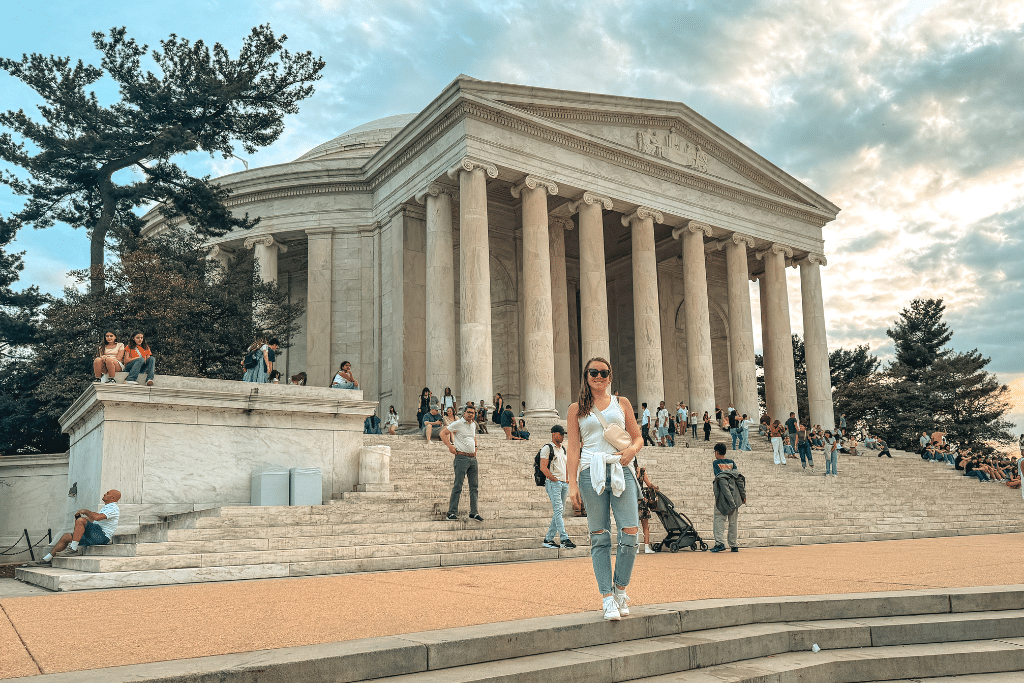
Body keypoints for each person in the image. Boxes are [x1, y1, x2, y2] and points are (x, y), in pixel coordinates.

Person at [567, 357, 643, 621]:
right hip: (591, 472)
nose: (598, 376)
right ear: (586, 376)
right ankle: (607, 598)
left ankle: (620, 589)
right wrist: (572, 484)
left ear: (610, 377)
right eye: (593, 372)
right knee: (599, 537)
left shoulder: (622, 403)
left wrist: (632, 450)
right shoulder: (576, 409)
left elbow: (637, 436)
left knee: (630, 533)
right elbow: (574, 447)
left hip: (622, 469)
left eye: (603, 372)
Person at [39, 490, 121, 564]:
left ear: (113, 498)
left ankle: (73, 549)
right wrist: (78, 519)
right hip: (95, 535)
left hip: (102, 536)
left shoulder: (113, 508)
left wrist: (85, 512)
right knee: (66, 536)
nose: (104, 494)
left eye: (107, 493)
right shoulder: (106, 508)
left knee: (82, 520)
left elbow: (97, 517)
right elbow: (92, 520)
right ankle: (47, 559)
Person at [441, 405, 483, 522]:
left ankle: (474, 512)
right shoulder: (458, 423)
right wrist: (450, 446)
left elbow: (473, 437)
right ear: (464, 413)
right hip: (461, 458)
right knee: (458, 485)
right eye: (468, 412)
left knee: (474, 487)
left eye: (473, 413)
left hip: (473, 459)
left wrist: (475, 446)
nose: (470, 414)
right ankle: (451, 512)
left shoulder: (473, 424)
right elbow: (443, 433)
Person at [540, 425, 575, 549]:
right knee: (559, 510)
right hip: (553, 483)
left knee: (559, 511)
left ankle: (548, 539)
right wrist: (553, 479)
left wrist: (566, 479)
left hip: (563, 483)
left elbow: (565, 465)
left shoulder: (563, 449)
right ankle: (564, 538)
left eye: (563, 434)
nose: (562, 436)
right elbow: (543, 467)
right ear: (554, 434)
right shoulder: (547, 448)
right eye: (560, 434)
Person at [710, 443, 744, 553]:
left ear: (717, 452)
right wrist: (743, 496)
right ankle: (733, 545)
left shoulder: (716, 463)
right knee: (733, 522)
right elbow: (739, 480)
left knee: (719, 520)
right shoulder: (732, 463)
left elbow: (720, 478)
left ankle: (719, 543)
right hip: (735, 496)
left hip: (723, 497)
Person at [635, 459, 659, 554]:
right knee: (645, 525)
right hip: (642, 500)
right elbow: (649, 484)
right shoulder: (641, 471)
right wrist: (655, 487)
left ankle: (636, 547)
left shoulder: (629, 471)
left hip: (632, 500)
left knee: (634, 526)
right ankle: (646, 547)